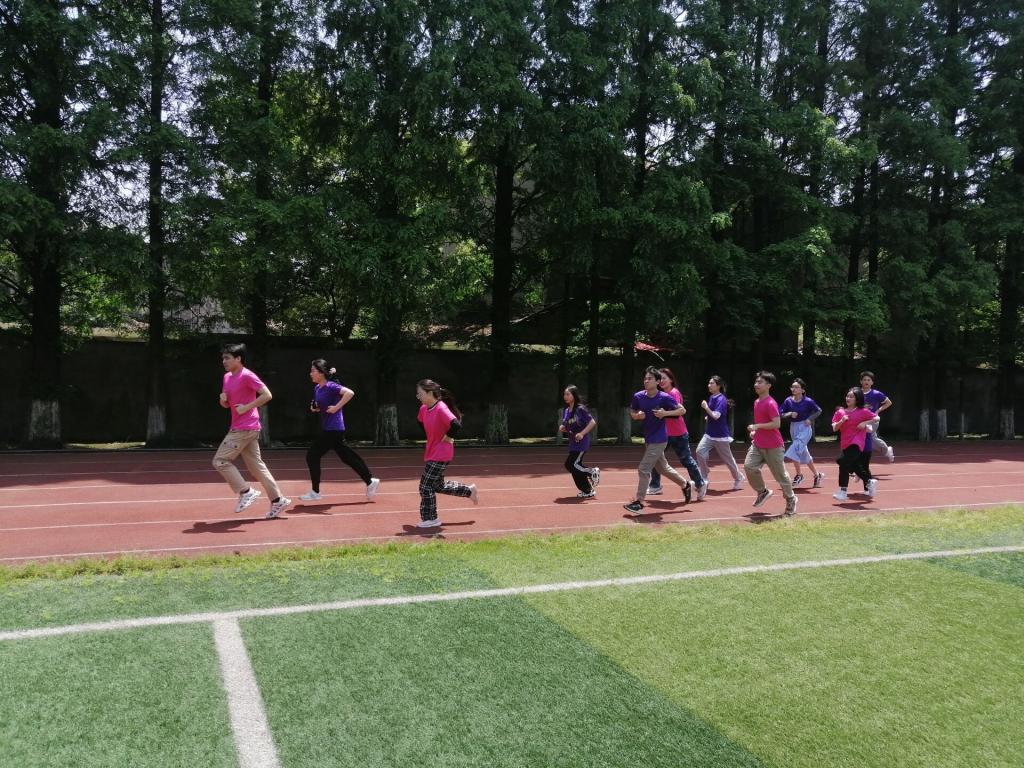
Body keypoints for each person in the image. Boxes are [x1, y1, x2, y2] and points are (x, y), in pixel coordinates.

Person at [213, 343, 291, 519]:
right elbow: (226, 404)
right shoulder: (227, 377)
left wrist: (246, 407)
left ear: (238, 359)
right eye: (223, 358)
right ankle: (278, 500)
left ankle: (246, 491)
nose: (224, 361)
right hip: (243, 427)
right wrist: (223, 400)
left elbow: (267, 395)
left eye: (227, 358)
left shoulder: (247, 375)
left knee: (220, 460)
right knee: (257, 467)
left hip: (245, 427)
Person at [298, 359, 380, 502]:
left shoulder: (331, 386)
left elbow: (350, 393)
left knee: (312, 455)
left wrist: (336, 407)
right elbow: (320, 404)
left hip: (333, 428)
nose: (310, 373)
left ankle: (315, 492)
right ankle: (369, 481)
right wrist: (315, 407)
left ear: (321, 373)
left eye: (313, 371)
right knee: (347, 457)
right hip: (329, 428)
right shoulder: (317, 388)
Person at [623, 367, 692, 515]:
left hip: (660, 439)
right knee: (662, 468)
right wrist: (637, 416)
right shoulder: (638, 396)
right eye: (645, 378)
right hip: (649, 438)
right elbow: (632, 411)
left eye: (650, 379)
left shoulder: (664, 397)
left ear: (658, 382)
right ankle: (685, 484)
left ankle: (639, 502)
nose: (646, 381)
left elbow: (682, 410)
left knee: (643, 468)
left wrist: (664, 413)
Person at [415, 379, 477, 528]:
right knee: (438, 485)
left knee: (425, 486)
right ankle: (468, 491)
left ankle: (431, 518)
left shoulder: (441, 408)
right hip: (432, 451)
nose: (418, 396)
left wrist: (447, 437)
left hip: (442, 453)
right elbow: (420, 421)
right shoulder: (424, 408)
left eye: (420, 393)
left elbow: (456, 425)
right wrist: (432, 436)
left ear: (430, 393)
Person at [647, 368, 707, 500]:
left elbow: (680, 412)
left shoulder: (674, 393)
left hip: (678, 434)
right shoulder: (660, 394)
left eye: (664, 378)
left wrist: (664, 414)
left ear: (671, 380)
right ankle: (655, 485)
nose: (662, 381)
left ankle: (700, 484)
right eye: (660, 379)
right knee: (656, 458)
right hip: (663, 434)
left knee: (686, 460)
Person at [743, 371, 797, 516]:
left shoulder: (771, 403)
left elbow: (776, 423)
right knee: (749, 467)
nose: (756, 384)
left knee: (780, 476)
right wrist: (756, 432)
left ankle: (791, 499)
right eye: (756, 382)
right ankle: (763, 491)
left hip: (774, 446)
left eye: (760, 382)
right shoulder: (757, 402)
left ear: (768, 385)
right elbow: (763, 423)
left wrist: (757, 426)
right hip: (758, 444)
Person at [696, 376, 744, 491]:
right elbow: (713, 415)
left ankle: (738, 477)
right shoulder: (712, 397)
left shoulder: (721, 399)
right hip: (709, 434)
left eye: (711, 383)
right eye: (709, 383)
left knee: (728, 460)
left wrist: (706, 408)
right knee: (699, 452)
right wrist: (708, 416)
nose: (709, 385)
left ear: (718, 386)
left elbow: (716, 416)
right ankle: (704, 477)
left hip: (720, 436)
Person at [830, 388, 879, 501]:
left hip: (857, 442)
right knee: (847, 463)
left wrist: (865, 423)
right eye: (847, 396)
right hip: (845, 443)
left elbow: (877, 418)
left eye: (851, 397)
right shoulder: (840, 412)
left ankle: (843, 492)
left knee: (842, 462)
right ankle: (869, 481)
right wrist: (842, 421)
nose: (848, 398)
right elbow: (834, 428)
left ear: (857, 399)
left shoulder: (863, 411)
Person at [780, 378, 824, 488]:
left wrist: (810, 419)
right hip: (793, 427)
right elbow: (780, 413)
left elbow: (819, 410)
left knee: (794, 449)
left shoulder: (808, 401)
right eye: (792, 387)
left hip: (805, 427)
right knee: (804, 453)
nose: (793, 389)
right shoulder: (788, 401)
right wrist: (790, 413)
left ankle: (799, 475)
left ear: (802, 390)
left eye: (796, 387)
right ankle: (817, 475)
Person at [559, 386, 600, 498]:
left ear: (574, 395)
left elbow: (592, 422)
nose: (565, 397)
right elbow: (567, 425)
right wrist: (563, 428)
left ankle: (591, 472)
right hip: (573, 443)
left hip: (581, 443)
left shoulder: (580, 409)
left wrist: (582, 433)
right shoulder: (566, 411)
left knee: (570, 464)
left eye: (568, 394)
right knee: (575, 466)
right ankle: (587, 490)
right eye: (564, 394)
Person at [860, 371, 895, 462]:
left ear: (872, 382)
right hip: (860, 420)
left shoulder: (876, 393)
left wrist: (878, 411)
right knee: (872, 438)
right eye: (864, 380)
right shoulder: (857, 393)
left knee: (867, 435)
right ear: (861, 381)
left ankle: (860, 460)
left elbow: (888, 402)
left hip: (873, 420)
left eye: (869, 380)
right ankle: (886, 450)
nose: (866, 381)